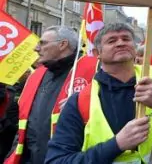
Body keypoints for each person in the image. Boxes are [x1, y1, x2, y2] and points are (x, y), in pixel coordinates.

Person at [44, 23, 152, 163]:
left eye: (126, 39)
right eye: (111, 41)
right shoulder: (81, 100)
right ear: (97, 53)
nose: (120, 43)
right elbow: (58, 160)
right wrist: (116, 144)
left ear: (135, 48)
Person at [6, 26, 97, 164]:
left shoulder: (94, 70)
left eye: (43, 43)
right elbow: (24, 128)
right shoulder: (36, 76)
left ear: (62, 44)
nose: (36, 48)